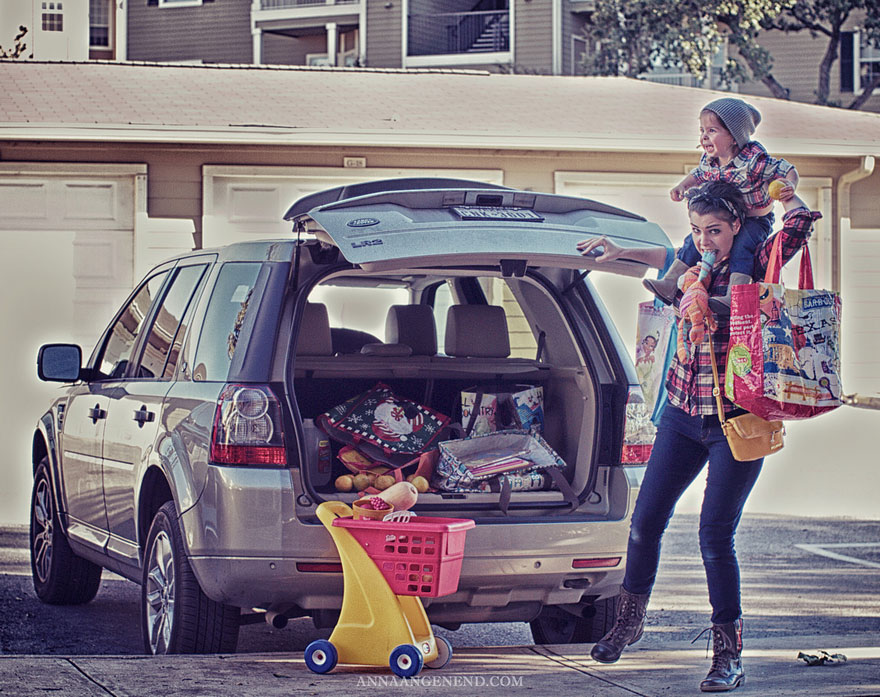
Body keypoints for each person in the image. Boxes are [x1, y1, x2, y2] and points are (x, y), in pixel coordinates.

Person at [576, 180, 820, 693]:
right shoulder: (692, 268)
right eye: (697, 230)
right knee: (644, 525)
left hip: (739, 422)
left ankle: (728, 655)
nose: (706, 240)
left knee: (714, 537)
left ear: (737, 226)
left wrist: (781, 192)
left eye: (715, 230)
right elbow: (660, 253)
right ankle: (630, 621)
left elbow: (798, 223)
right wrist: (617, 250)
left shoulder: (757, 262)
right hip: (685, 415)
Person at [644, 98, 800, 313]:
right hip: (726, 215)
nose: (704, 136)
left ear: (734, 137)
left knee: (742, 247)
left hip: (755, 218)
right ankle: (669, 283)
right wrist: (682, 186)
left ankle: (734, 296)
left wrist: (789, 185)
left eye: (712, 130)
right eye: (702, 130)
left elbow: (787, 169)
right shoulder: (709, 160)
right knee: (691, 242)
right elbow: (697, 175)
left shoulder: (754, 161)